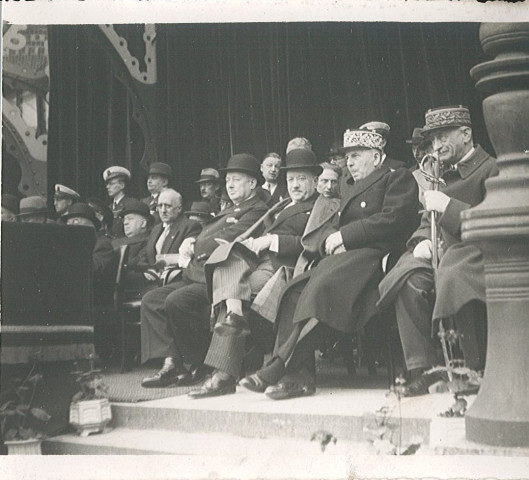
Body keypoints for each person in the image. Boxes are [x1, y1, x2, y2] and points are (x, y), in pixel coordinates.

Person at [239, 128, 420, 400]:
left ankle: (278, 366)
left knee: (323, 287)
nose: (350, 163)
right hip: (346, 259)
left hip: (378, 258)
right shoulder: (349, 185)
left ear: (376, 156)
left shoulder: (397, 177)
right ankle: (298, 376)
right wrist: (327, 239)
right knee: (294, 292)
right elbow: (332, 223)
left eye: (356, 156)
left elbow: (394, 220)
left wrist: (345, 236)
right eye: (348, 157)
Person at [377, 105, 498, 397]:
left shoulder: (492, 168)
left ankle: (474, 369)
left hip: (479, 253)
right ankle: (426, 371)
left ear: (466, 134)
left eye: (443, 137)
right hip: (444, 253)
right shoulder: (438, 173)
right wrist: (422, 240)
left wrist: (448, 208)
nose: (437, 146)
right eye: (433, 140)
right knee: (408, 280)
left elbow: (494, 222)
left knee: (455, 275)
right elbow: (425, 219)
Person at [187, 148, 321, 398]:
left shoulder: (320, 206)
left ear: (315, 180)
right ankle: (234, 320)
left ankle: (224, 374)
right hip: (260, 261)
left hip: (287, 267)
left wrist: (271, 241)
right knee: (226, 264)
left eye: (301, 179)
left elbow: (314, 241)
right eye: (290, 179)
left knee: (231, 288)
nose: (295, 185)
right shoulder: (282, 204)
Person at [139, 154, 268, 388]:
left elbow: (230, 237)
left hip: (219, 276)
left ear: (252, 184)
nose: (229, 184)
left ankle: (200, 362)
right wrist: (193, 239)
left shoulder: (257, 210)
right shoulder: (232, 208)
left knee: (176, 301)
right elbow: (208, 233)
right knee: (151, 300)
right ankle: (174, 364)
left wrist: (194, 244)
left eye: (237, 179)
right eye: (228, 179)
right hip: (197, 273)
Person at [63, 203, 115, 285]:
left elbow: (95, 270)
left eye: (76, 221)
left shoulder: (102, 244)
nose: (70, 226)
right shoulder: (69, 246)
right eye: (68, 223)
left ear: (91, 225)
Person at [103, 166, 137, 238]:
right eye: (107, 184)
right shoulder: (108, 208)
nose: (107, 187)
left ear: (122, 185)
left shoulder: (132, 204)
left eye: (111, 183)